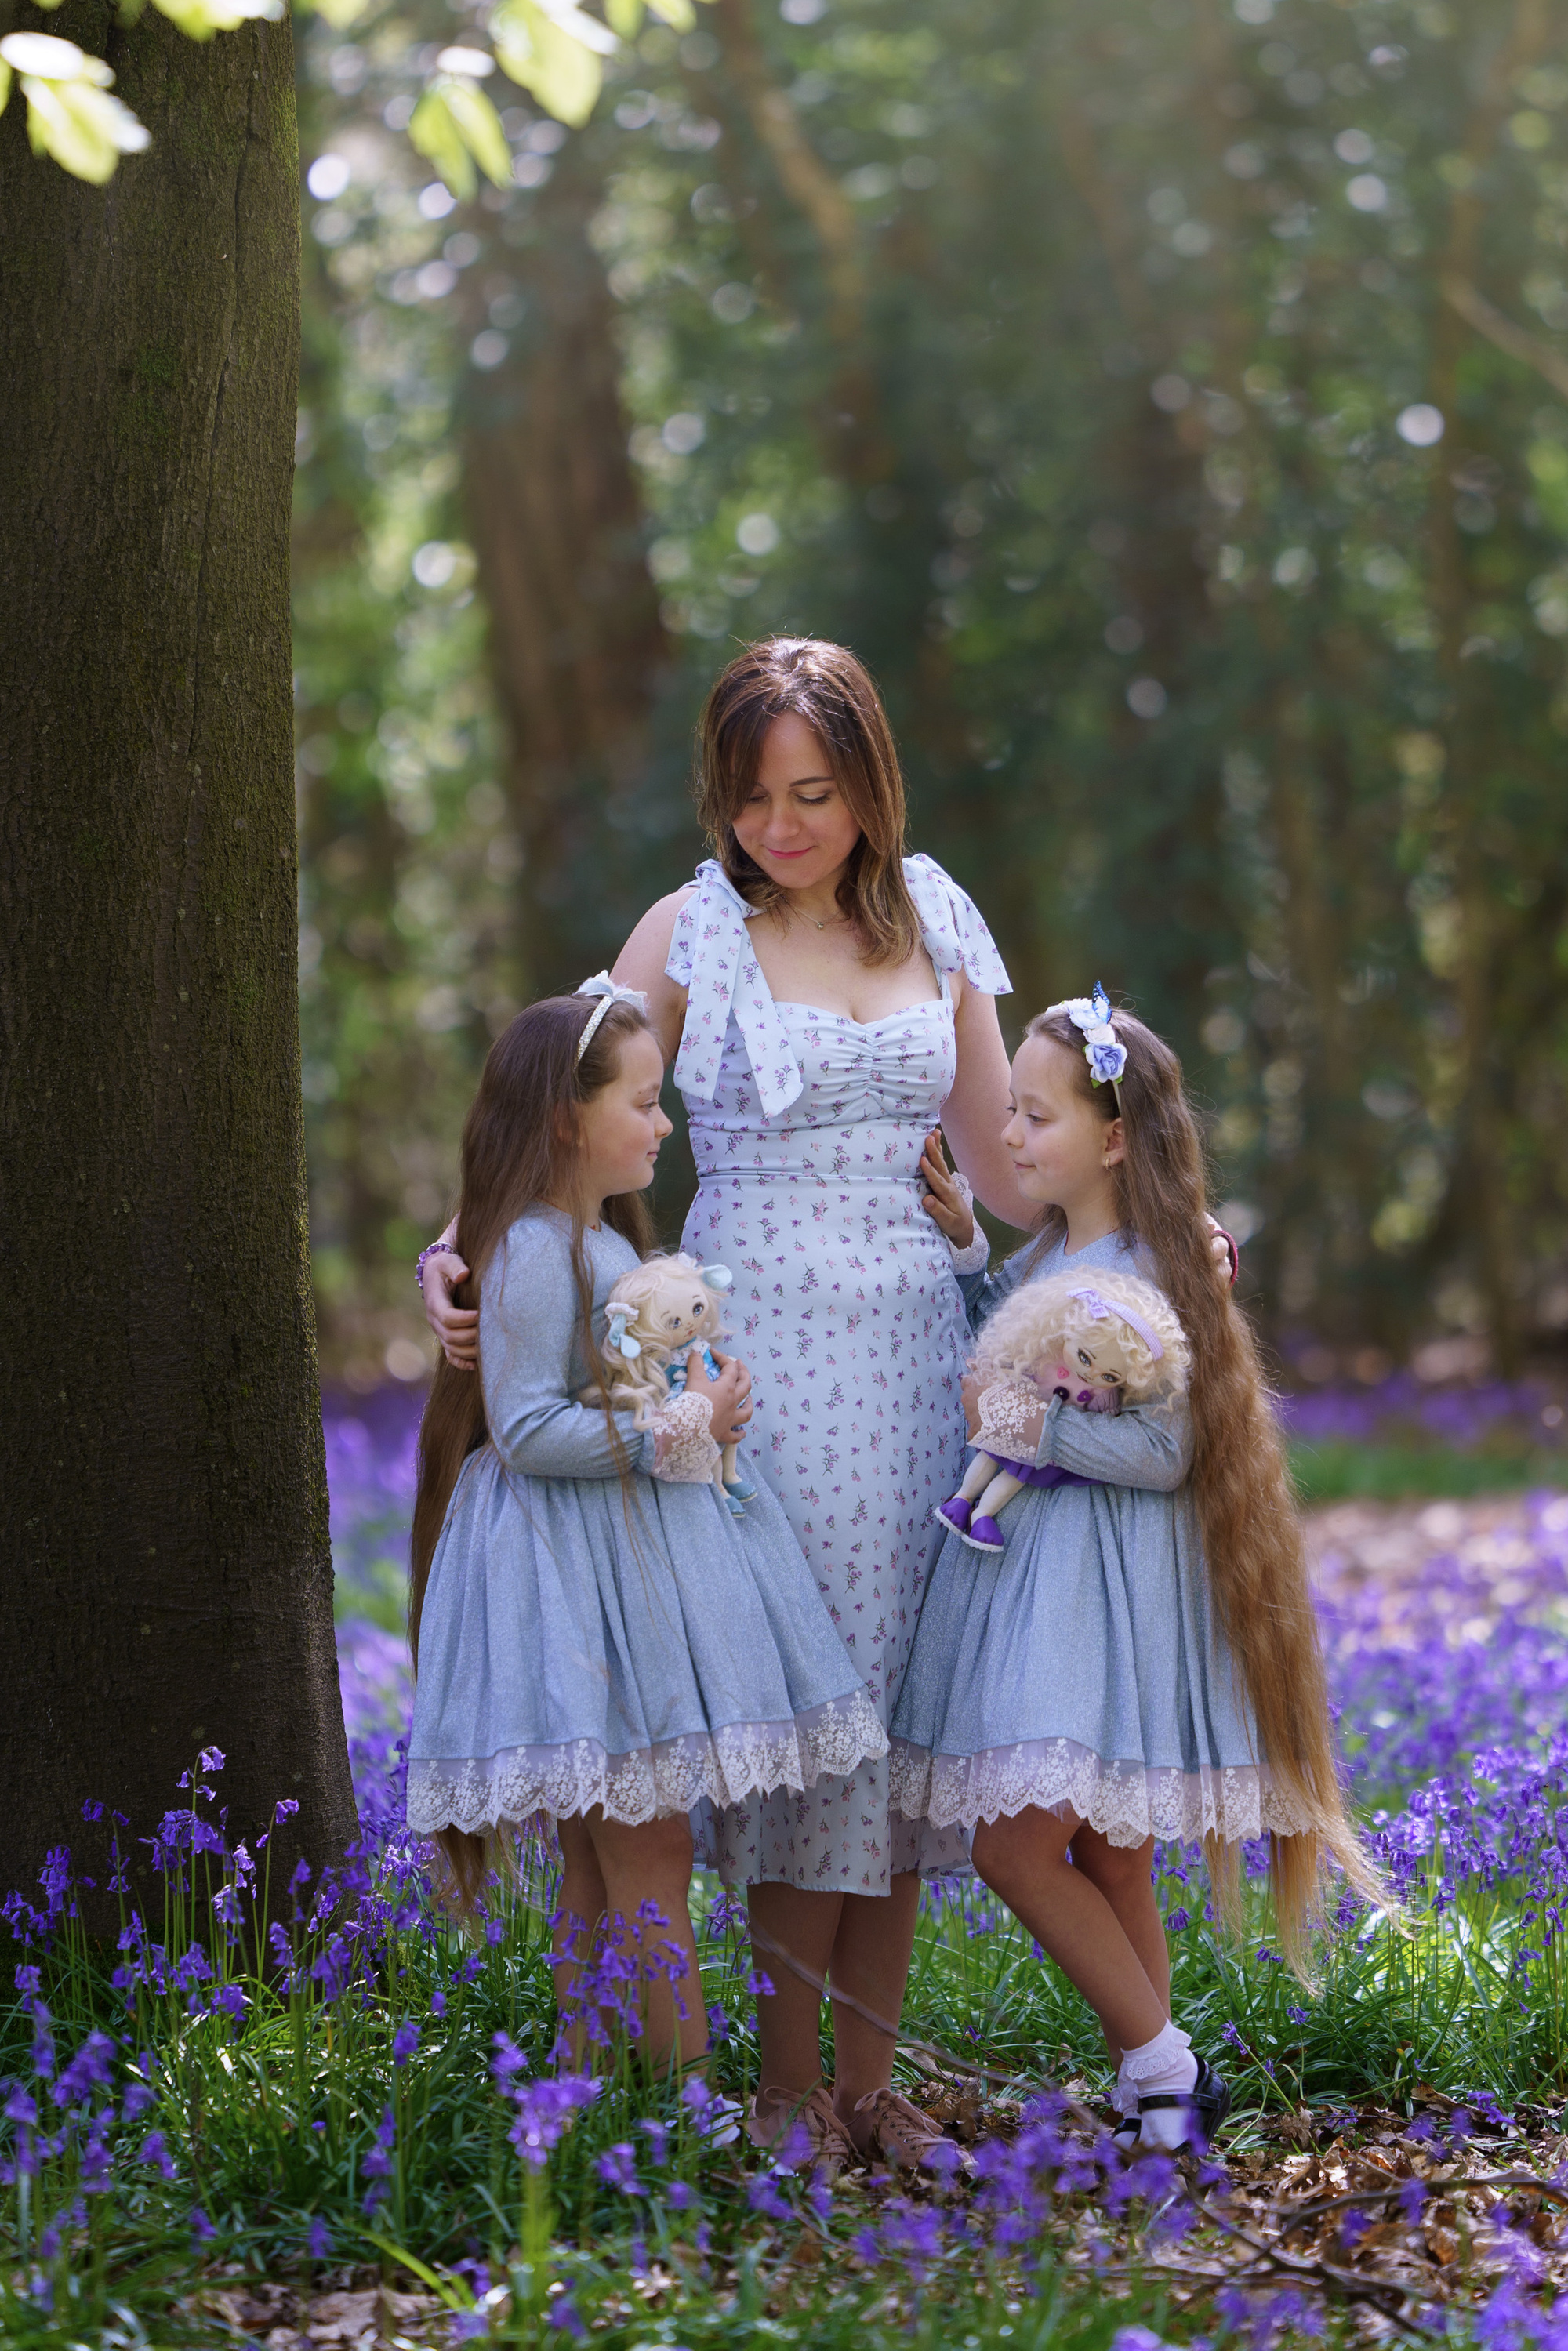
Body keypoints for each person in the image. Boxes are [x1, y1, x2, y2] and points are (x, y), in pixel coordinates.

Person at [424, 637, 1022, 2177]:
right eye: (753, 799)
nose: (781, 829)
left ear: (868, 787)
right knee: (794, 1726)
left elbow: (1016, 1170)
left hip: (913, 1357)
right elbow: (550, 1104)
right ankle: (774, 2101)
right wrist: (458, 1252)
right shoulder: (686, 930)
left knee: (893, 1728)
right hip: (744, 1364)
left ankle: (866, 2093)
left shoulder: (939, 916)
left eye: (812, 794)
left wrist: (1160, 1222)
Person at [890, 990, 1383, 2150]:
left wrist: (1028, 1429)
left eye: (1037, 1115)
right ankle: (1159, 2096)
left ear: (1113, 1136)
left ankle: (1168, 2062)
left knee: (1016, 1843)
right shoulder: (1060, 1249)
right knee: (1109, 1853)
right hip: (1048, 1580)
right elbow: (1013, 1348)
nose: (1010, 1135)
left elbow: (1164, 1456)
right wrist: (971, 1252)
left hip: (1103, 1589)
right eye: (1009, 1111)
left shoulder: (1157, 1268)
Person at [406, 977, 887, 2110]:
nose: (664, 1124)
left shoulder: (582, 1240)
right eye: (644, 1101)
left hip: (619, 1564)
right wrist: (683, 1424)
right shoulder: (535, 1251)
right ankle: (690, 2105)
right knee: (649, 1849)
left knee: (606, 1856)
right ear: (568, 1118)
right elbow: (525, 1431)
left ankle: (580, 2091)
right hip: (576, 1574)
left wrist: (695, 1404)